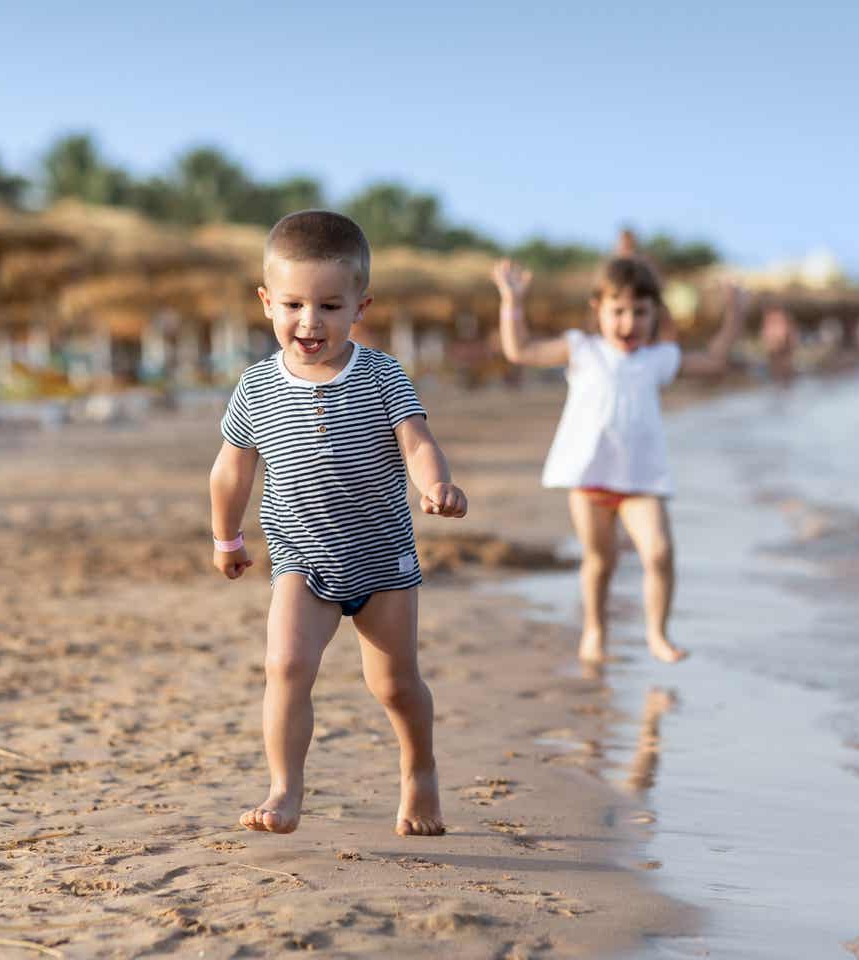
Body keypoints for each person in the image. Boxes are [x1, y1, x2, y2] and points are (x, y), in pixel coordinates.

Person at [208, 211, 467, 837]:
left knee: (395, 684)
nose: (309, 321)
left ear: (359, 306)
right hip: (301, 559)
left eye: (329, 305)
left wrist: (434, 484)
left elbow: (416, 440)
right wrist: (228, 538)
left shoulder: (380, 375)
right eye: (293, 304)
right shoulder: (256, 386)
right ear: (266, 302)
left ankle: (419, 772)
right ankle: (285, 788)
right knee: (286, 667)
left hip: (382, 563)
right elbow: (230, 471)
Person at [492, 256, 743, 664]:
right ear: (598, 309)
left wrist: (735, 315)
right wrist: (512, 302)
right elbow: (520, 350)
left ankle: (658, 633)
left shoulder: (659, 358)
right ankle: (595, 628)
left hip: (642, 482)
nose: (629, 323)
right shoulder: (582, 349)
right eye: (619, 311)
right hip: (590, 480)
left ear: (655, 314)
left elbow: (714, 362)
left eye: (640, 312)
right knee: (600, 561)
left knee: (659, 553)